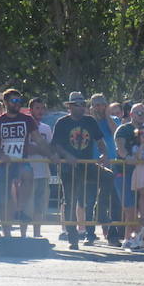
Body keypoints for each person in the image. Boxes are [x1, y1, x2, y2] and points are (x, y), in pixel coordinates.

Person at [0, 89, 51, 237]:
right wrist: (1, 155)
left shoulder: (27, 120)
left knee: (28, 174)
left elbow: (39, 140)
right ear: (6, 102)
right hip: (4, 164)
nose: (17, 104)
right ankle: (7, 234)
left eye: (19, 101)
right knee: (5, 200)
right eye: (14, 101)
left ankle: (20, 208)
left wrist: (52, 154)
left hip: (21, 162)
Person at [51, 92, 107, 249]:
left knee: (108, 178)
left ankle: (100, 216)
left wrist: (104, 153)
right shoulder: (62, 123)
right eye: (78, 104)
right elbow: (56, 145)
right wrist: (67, 156)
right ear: (70, 106)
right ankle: (72, 236)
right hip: (69, 169)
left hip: (87, 165)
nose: (82, 107)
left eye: (83, 104)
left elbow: (100, 140)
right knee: (70, 199)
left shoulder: (90, 121)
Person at [116, 104, 144, 249]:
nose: (141, 116)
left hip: (143, 174)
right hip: (124, 172)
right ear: (131, 114)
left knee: (143, 207)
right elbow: (120, 148)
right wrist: (127, 156)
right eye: (138, 113)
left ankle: (132, 238)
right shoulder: (123, 129)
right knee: (129, 207)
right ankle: (135, 235)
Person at [90, 93, 123, 246]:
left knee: (114, 201)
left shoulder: (114, 120)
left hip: (112, 165)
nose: (99, 107)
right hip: (93, 165)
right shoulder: (90, 122)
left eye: (102, 104)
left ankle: (113, 233)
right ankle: (91, 232)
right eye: (96, 105)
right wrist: (94, 119)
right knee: (96, 200)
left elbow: (116, 133)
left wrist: (107, 116)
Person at [26, 98, 56, 238]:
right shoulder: (25, 125)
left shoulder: (46, 128)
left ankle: (37, 234)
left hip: (43, 172)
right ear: (30, 109)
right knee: (27, 205)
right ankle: (23, 235)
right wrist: (41, 149)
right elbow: (27, 149)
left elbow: (49, 148)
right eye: (37, 108)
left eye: (42, 108)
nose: (40, 111)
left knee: (39, 206)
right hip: (28, 172)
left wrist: (41, 150)